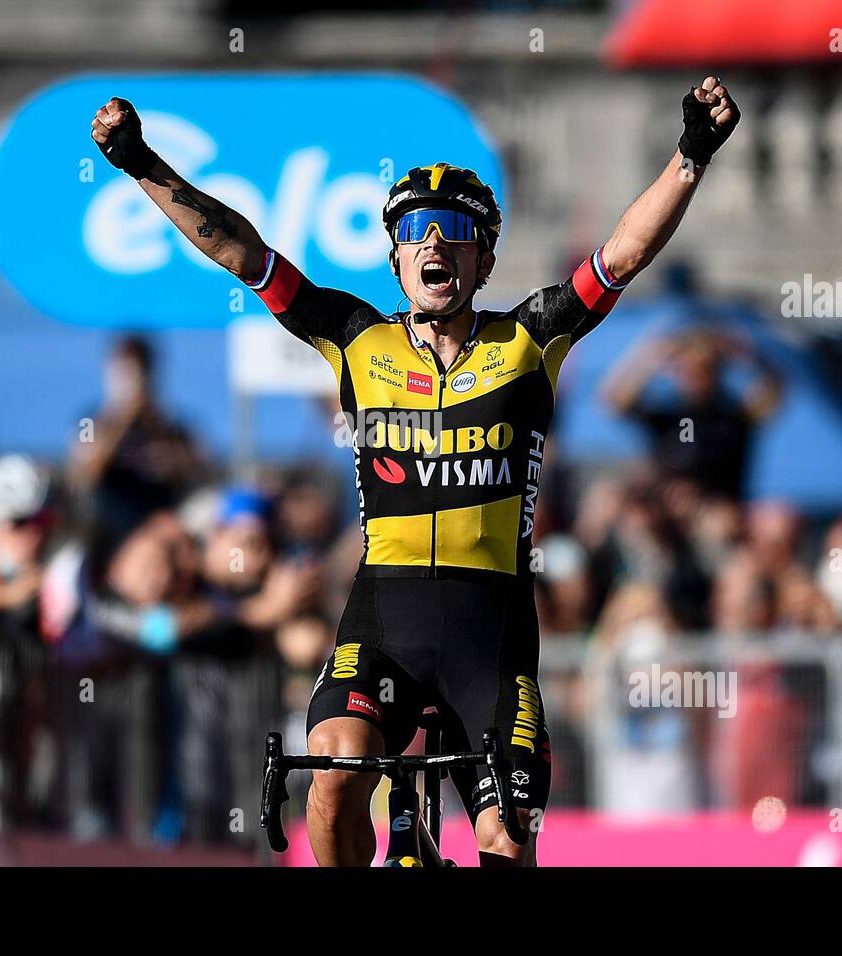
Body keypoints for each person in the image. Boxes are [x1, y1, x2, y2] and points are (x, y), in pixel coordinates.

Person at [90, 75, 740, 865]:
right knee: (331, 779)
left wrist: (691, 154)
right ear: (396, 255)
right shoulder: (354, 337)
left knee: (505, 840)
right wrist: (141, 163)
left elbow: (624, 254)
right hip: (383, 620)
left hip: (489, 631)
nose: (433, 243)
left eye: (453, 230)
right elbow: (240, 251)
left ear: (484, 255)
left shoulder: (530, 339)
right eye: (415, 231)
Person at [604, 327, 781, 500]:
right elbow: (616, 404)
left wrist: (748, 356)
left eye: (701, 370)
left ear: (716, 373)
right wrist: (649, 360)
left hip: (715, 505)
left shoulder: (734, 416)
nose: (692, 378)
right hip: (667, 504)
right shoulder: (669, 413)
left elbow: (774, 390)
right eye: (685, 371)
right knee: (608, 497)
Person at [68, 335, 203, 556]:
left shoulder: (172, 427)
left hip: (161, 529)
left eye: (139, 372)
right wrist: (124, 416)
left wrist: (169, 455)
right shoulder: (91, 423)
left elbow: (197, 470)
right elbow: (83, 475)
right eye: (124, 372)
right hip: (111, 531)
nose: (132, 381)